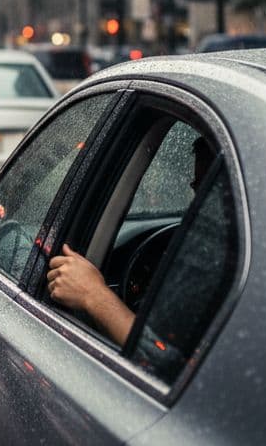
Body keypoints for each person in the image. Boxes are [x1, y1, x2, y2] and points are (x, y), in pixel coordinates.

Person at [45, 135, 215, 347]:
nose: (198, 200)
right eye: (195, 187)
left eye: (210, 189)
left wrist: (93, 294)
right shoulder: (227, 249)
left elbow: (160, 359)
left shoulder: (221, 259)